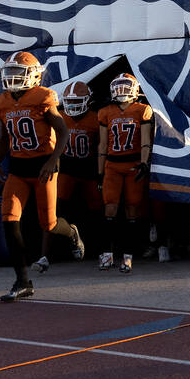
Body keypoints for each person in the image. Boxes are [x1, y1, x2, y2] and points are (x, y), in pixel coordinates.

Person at [0, 51, 85, 302]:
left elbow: (63, 131)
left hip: (43, 165)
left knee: (50, 224)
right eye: (9, 73)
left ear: (33, 76)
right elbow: (4, 137)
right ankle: (23, 281)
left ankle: (72, 233)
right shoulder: (2, 102)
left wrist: (54, 160)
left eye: (17, 74)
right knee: (9, 221)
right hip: (18, 168)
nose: (12, 79)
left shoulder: (42, 97)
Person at [96, 73, 154, 274]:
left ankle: (128, 256)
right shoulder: (106, 111)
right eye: (118, 87)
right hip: (112, 164)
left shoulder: (142, 110)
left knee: (132, 210)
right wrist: (99, 171)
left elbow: (146, 139)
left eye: (126, 87)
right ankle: (107, 253)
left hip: (133, 165)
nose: (121, 91)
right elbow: (103, 145)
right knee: (109, 209)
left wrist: (145, 162)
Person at [54, 80, 103, 266]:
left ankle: (98, 246)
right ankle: (59, 248)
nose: (73, 106)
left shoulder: (95, 118)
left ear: (88, 101)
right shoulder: (59, 117)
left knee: (96, 207)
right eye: (70, 102)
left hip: (89, 166)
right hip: (67, 165)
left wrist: (101, 172)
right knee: (58, 205)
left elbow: (101, 146)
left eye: (77, 102)